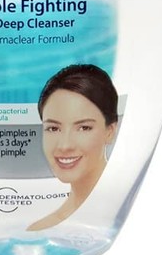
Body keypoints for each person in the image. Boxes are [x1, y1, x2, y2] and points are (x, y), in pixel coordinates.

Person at [27, 63, 118, 231]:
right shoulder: (40, 229)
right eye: (53, 128)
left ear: (110, 131)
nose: (65, 145)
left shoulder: (128, 212)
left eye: (84, 128)